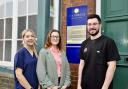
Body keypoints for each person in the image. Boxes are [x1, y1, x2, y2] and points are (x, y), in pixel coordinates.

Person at [77, 14, 120, 89]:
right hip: (85, 85)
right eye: (89, 24)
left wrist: (105, 87)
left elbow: (112, 66)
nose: (92, 27)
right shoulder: (84, 43)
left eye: (94, 24)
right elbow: (81, 64)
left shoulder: (108, 42)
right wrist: (79, 84)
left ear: (100, 25)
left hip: (101, 86)